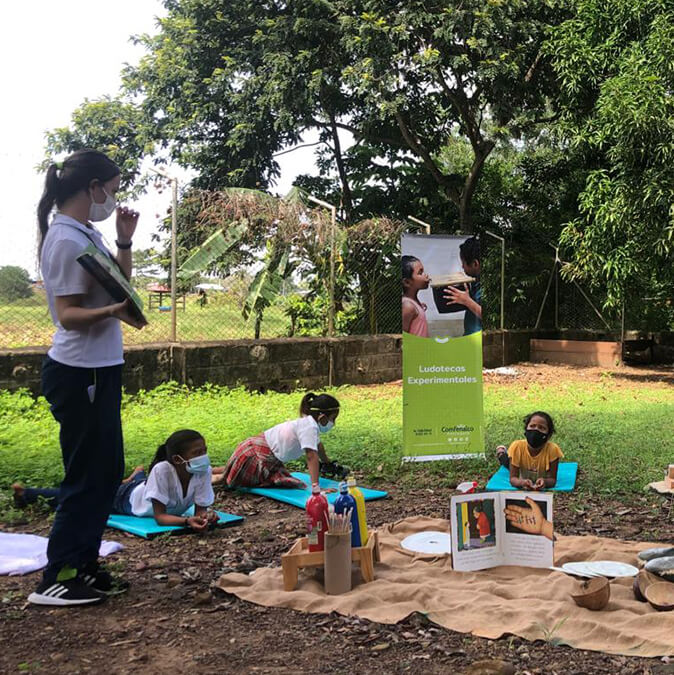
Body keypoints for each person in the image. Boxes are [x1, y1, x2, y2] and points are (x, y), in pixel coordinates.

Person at [30, 149, 144, 607]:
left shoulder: (87, 233)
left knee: (105, 472)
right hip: (79, 373)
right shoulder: (63, 240)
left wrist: (124, 242)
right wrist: (116, 312)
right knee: (85, 475)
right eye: (112, 190)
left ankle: (86, 565)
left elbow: (121, 284)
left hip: (101, 368)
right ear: (92, 187)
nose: (113, 198)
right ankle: (57, 576)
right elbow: (68, 315)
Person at [13, 430, 217, 533]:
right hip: (126, 500)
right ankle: (26, 494)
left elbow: (200, 509)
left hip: (142, 488)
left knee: (137, 484)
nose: (203, 457)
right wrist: (186, 521)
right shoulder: (162, 470)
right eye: (197, 453)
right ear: (177, 459)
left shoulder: (203, 470)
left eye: (204, 451)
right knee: (86, 496)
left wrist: (205, 517)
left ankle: (136, 476)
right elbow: (161, 517)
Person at [214, 393, 341, 489]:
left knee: (234, 468)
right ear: (322, 417)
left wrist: (327, 463)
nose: (333, 423)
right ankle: (208, 479)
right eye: (333, 419)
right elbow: (311, 456)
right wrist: (316, 488)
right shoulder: (309, 427)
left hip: (255, 451)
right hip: (256, 456)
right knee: (226, 480)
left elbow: (318, 446)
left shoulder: (307, 423)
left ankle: (210, 470)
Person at [496, 411, 563, 490]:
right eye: (532, 426)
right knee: (506, 462)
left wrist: (545, 482)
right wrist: (522, 483)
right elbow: (513, 479)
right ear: (526, 429)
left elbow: (552, 480)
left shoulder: (553, 450)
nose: (536, 430)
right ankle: (501, 452)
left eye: (541, 428)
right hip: (520, 466)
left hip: (527, 466)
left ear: (549, 435)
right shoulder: (517, 447)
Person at [444, 236, 481, 335]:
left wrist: (467, 301)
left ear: (475, 264)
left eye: (463, 263)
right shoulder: (476, 281)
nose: (462, 266)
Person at [402, 255, 430, 337]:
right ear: (407, 282)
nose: (426, 275)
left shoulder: (413, 304)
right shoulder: (408, 306)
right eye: (420, 273)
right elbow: (404, 338)